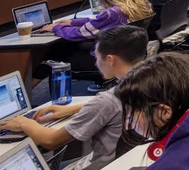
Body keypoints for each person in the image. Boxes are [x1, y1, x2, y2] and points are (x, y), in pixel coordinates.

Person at [0, 26, 148, 170]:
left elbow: (51, 141)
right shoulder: (148, 82)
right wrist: (74, 109)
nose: (96, 63)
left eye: (97, 57)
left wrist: (24, 123)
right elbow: (113, 106)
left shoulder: (108, 100)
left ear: (110, 59)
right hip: (131, 160)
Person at [33, 0, 152, 82]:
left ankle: (28, 95)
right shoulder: (141, 5)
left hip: (104, 60)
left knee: (51, 58)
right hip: (128, 55)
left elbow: (79, 34)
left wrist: (56, 27)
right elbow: (98, 22)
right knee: (64, 48)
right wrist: (72, 22)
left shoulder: (113, 13)